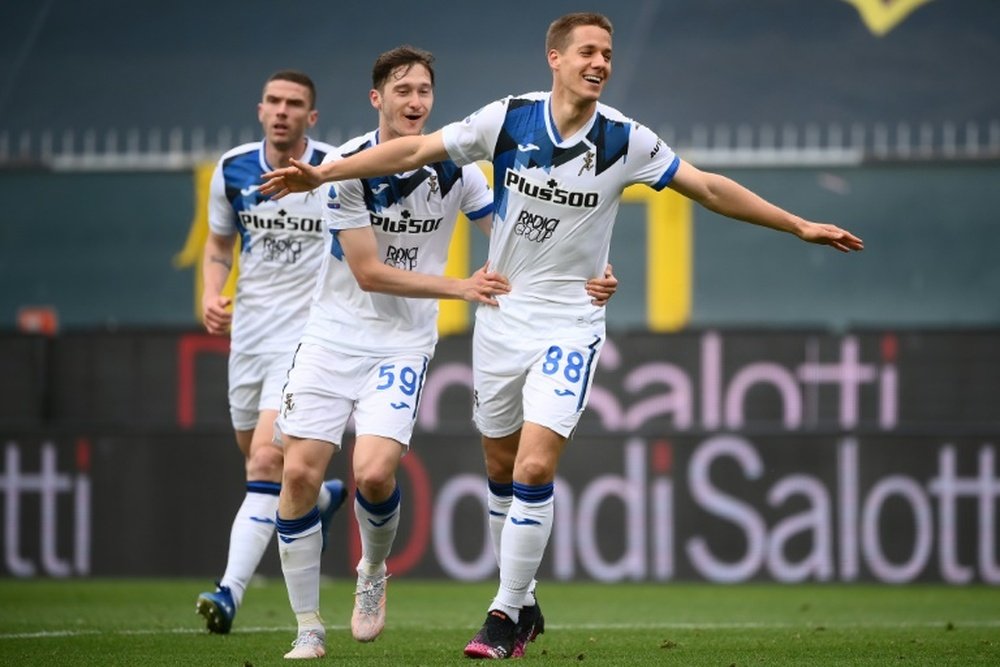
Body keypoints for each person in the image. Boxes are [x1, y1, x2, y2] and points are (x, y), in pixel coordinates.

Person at [261, 11, 863, 659]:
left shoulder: (625, 139)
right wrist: (324, 173)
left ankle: (501, 613)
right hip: (503, 315)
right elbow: (414, 149)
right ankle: (524, 599)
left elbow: (708, 187)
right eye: (587, 51)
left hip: (570, 320)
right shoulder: (508, 118)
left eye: (607, 52)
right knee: (499, 466)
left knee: (535, 462)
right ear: (555, 58)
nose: (600, 62)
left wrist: (798, 225)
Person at [266, 46, 618, 660]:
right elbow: (370, 273)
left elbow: (524, 231)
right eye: (402, 90)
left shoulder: (458, 169)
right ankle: (307, 627)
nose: (415, 102)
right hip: (332, 335)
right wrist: (460, 287)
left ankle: (372, 572)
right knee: (297, 473)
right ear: (378, 99)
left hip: (402, 342)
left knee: (374, 473)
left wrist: (591, 269)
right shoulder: (345, 166)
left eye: (424, 91)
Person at [195, 70, 347, 635]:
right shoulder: (232, 169)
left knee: (264, 460)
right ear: (261, 110)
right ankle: (321, 501)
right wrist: (213, 292)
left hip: (309, 338)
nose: (283, 111)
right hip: (250, 337)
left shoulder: (334, 167)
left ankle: (228, 593)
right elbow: (218, 244)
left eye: (295, 105)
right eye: (275, 102)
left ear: (312, 117)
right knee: (259, 463)